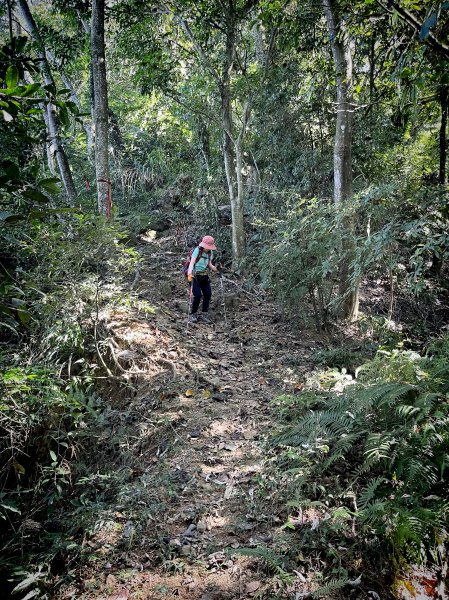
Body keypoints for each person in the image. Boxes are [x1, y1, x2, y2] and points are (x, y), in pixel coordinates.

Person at [187, 235, 218, 323]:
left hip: (204, 275)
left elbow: (209, 264)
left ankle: (204, 314)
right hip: (194, 275)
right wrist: (189, 273)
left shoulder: (210, 253)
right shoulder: (197, 250)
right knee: (197, 295)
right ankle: (193, 314)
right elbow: (192, 262)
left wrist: (215, 269)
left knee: (208, 294)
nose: (208, 248)